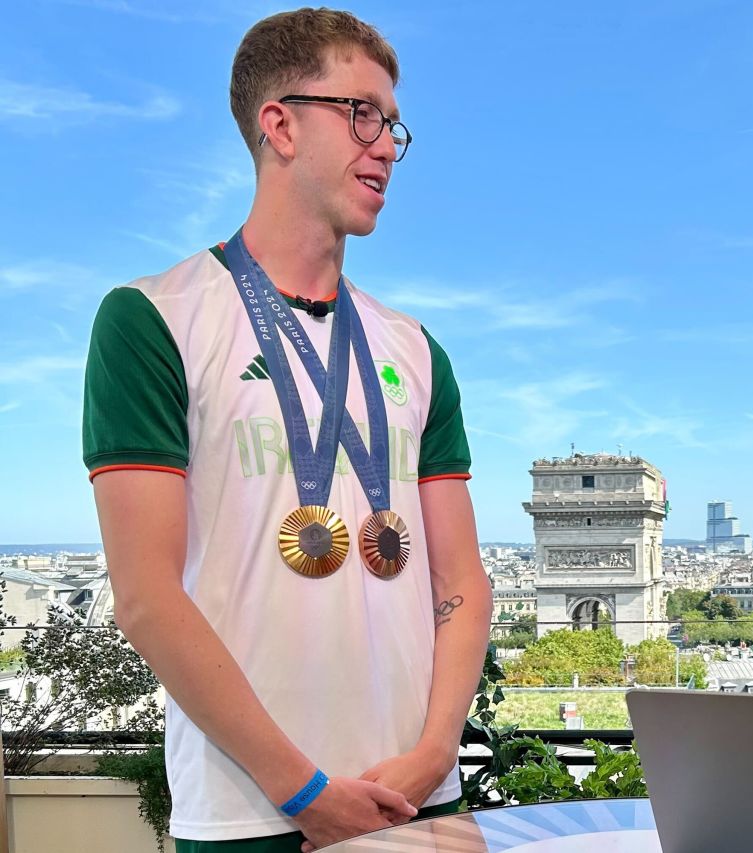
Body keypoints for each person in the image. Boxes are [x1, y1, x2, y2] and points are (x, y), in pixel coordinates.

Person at [83, 9, 493, 852]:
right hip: (253, 813)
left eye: (393, 125)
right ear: (280, 125)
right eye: (362, 114)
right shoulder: (152, 319)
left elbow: (462, 579)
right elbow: (146, 595)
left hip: (419, 796)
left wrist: (433, 752)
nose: (386, 144)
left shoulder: (415, 349)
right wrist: (301, 787)